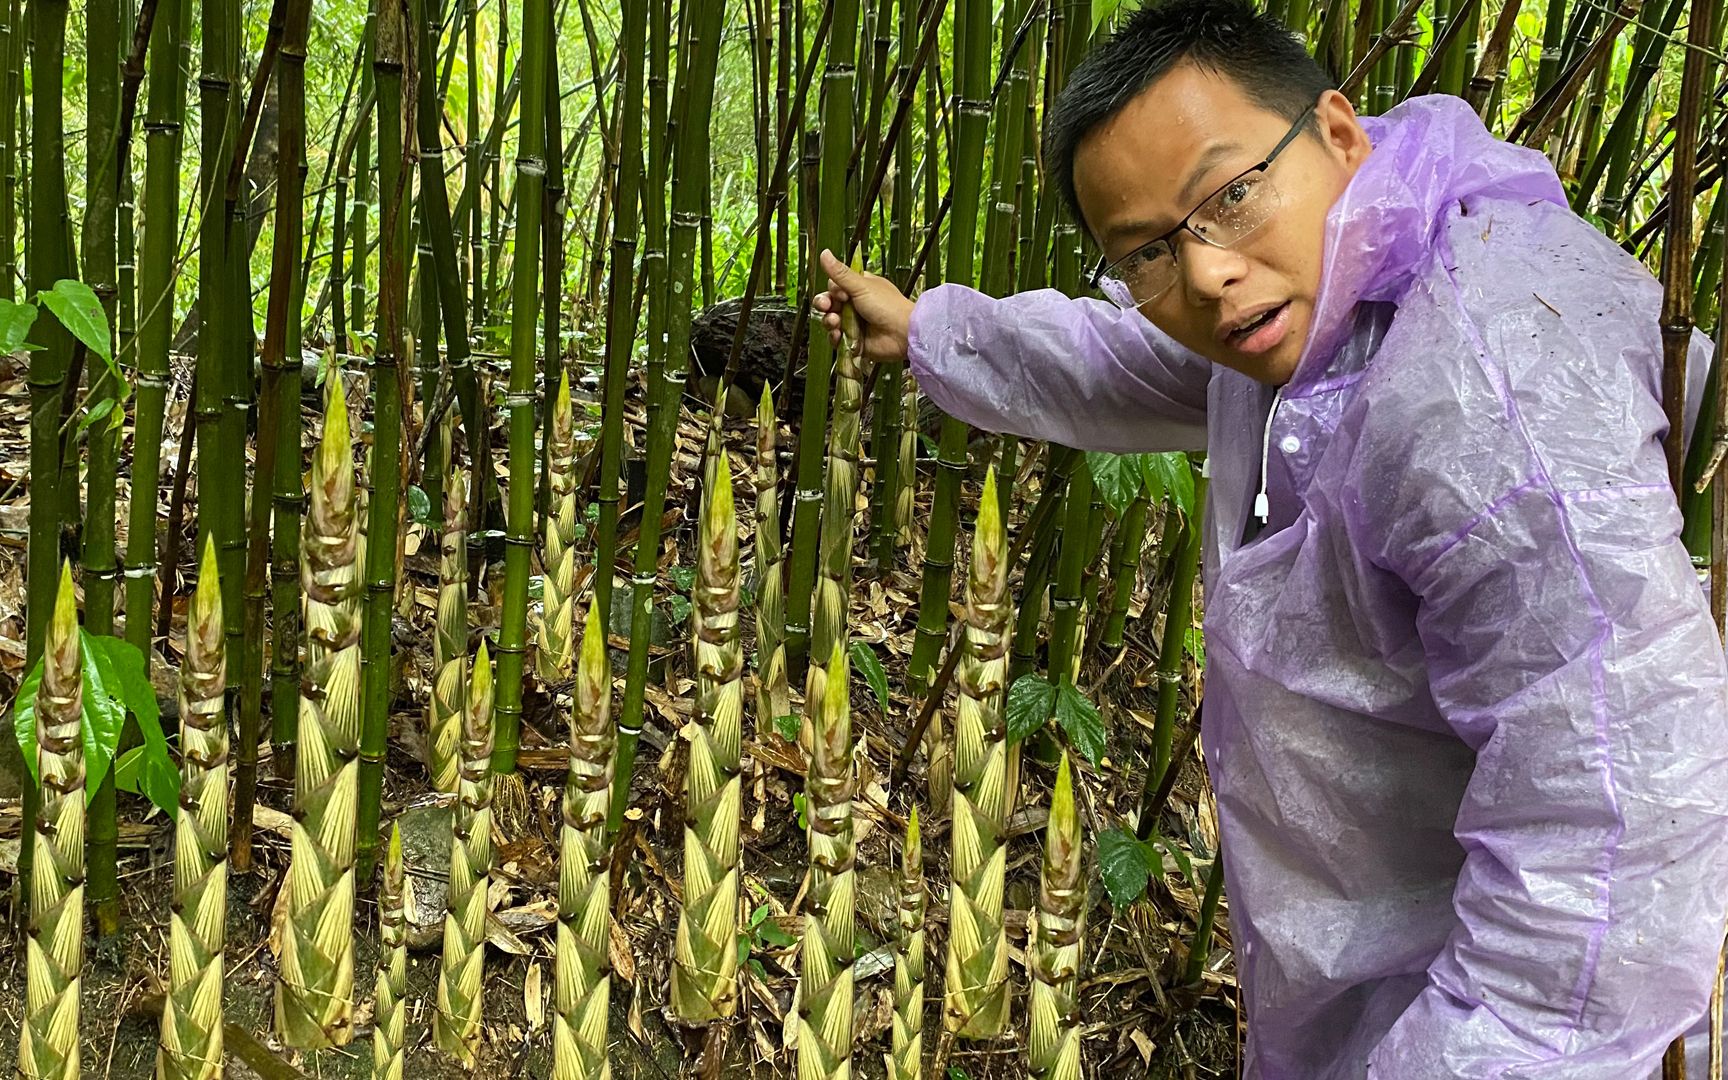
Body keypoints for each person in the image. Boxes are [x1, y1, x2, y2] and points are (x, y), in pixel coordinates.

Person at [814, 2, 1728, 1077]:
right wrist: (930, 328)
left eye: (1232, 196)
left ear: (1337, 132)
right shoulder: (1323, 293)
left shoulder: (1488, 401)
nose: (1206, 273)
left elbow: (1607, 846)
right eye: (1149, 251)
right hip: (1387, 971)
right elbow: (1127, 358)